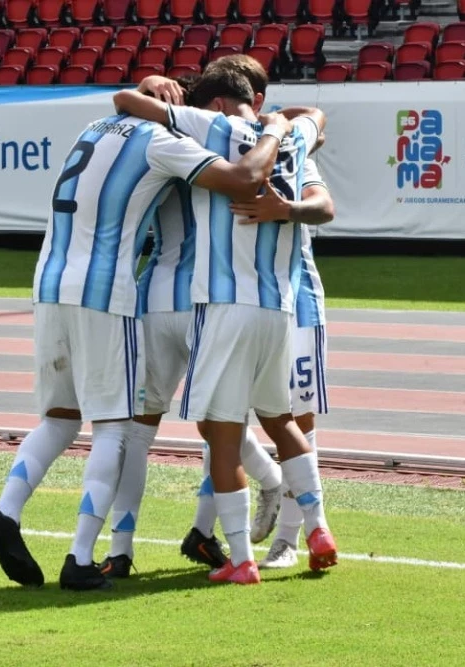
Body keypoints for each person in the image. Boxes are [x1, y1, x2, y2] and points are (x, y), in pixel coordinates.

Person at [0, 100, 293, 591]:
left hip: (48, 282)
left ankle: (6, 511)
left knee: (60, 417)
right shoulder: (163, 141)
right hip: (106, 293)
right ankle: (81, 557)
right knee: (116, 428)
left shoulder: (96, 127)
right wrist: (273, 130)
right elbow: (244, 178)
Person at [114, 68, 337, 585]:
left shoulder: (202, 130)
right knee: (281, 418)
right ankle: (315, 526)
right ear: (253, 100)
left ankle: (237, 555)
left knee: (215, 427)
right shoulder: (292, 140)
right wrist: (282, 126)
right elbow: (316, 122)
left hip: (210, 301)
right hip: (278, 303)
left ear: (213, 103)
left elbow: (126, 103)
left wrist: (151, 86)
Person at [96, 75, 287, 578]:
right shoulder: (230, 137)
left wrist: (148, 84)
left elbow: (123, 104)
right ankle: (251, 496)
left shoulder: (156, 138)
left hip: (159, 291)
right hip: (211, 296)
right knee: (221, 422)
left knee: (139, 431)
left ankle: (122, 550)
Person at [208, 54, 335, 568]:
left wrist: (286, 209)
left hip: (296, 298)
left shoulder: (286, 147)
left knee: (296, 421)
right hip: (234, 300)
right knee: (220, 420)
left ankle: (289, 539)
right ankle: (262, 493)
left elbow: (324, 207)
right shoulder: (212, 146)